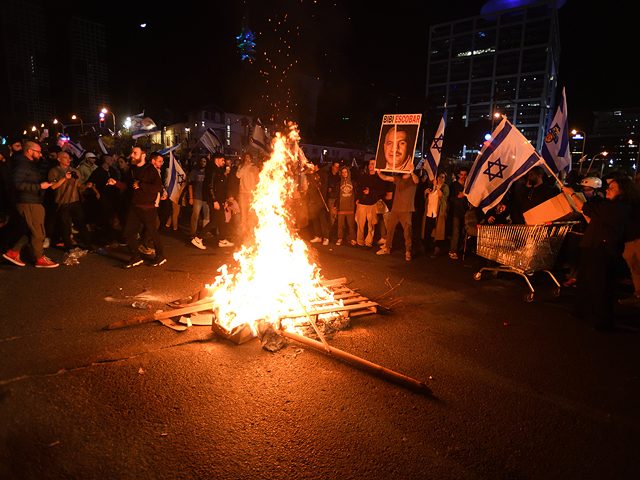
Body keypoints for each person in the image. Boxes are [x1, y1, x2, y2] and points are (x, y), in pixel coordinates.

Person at [562, 177, 639, 331]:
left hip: (601, 249)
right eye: (608, 187)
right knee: (585, 282)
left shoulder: (617, 208)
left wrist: (571, 194)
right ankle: (581, 310)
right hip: (592, 245)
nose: (608, 190)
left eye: (612, 188)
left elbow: (586, 206)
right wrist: (582, 210)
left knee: (599, 285)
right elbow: (592, 220)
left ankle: (602, 320)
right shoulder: (610, 207)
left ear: (622, 191)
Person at [2, 141, 58, 268]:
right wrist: (39, 186)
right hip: (28, 202)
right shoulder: (23, 165)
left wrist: (44, 185)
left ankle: (13, 252)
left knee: (31, 231)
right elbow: (18, 184)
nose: (40, 154)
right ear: (30, 151)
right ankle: (39, 258)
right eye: (38, 151)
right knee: (38, 232)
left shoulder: (28, 164)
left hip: (33, 201)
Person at [108, 146, 165, 267]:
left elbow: (158, 187)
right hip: (134, 206)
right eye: (132, 153)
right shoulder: (132, 170)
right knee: (128, 231)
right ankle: (136, 257)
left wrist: (141, 184)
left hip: (148, 207)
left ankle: (160, 256)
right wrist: (116, 183)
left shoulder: (151, 170)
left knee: (152, 233)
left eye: (135, 153)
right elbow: (129, 186)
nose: (132, 155)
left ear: (143, 155)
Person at [47, 151, 93, 251]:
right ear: (59, 159)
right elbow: (53, 186)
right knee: (65, 226)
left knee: (81, 223)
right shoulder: (53, 171)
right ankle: (69, 247)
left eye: (69, 158)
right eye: (65, 158)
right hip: (62, 203)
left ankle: (88, 245)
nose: (68, 160)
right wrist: (64, 178)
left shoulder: (75, 171)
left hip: (75, 201)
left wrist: (86, 186)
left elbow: (79, 185)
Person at [192, 153, 234, 250]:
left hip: (219, 199)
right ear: (217, 159)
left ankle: (222, 240)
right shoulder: (212, 170)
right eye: (222, 160)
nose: (224, 162)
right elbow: (210, 186)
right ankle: (198, 238)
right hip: (215, 200)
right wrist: (214, 200)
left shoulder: (217, 170)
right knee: (215, 221)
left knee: (221, 219)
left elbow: (219, 185)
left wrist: (224, 200)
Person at [376, 170, 419, 261]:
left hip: (406, 210)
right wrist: (379, 173)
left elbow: (417, 181)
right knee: (390, 229)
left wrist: (412, 172)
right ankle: (387, 248)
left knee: (407, 232)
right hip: (395, 209)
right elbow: (386, 178)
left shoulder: (412, 179)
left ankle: (408, 251)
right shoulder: (398, 179)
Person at [355, 159, 385, 247]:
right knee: (360, 224)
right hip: (362, 204)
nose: (370, 166)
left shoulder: (379, 178)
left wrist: (371, 191)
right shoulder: (363, 177)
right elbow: (359, 188)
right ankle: (360, 241)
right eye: (369, 164)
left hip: (372, 204)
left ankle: (368, 242)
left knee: (371, 225)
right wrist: (357, 198)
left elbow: (382, 191)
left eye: (372, 164)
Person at [422, 171, 449, 257]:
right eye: (439, 177)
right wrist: (425, 193)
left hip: (439, 213)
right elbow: (427, 200)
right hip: (430, 212)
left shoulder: (445, 187)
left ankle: (437, 249)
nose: (440, 179)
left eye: (443, 177)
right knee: (427, 230)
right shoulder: (432, 188)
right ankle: (425, 246)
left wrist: (437, 186)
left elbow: (442, 196)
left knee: (439, 232)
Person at [235, 152, 260, 239]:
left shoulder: (254, 168)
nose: (247, 159)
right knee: (243, 212)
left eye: (248, 157)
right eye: (245, 157)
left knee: (251, 212)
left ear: (251, 158)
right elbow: (238, 176)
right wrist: (244, 166)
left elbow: (258, 180)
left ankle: (251, 230)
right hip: (242, 192)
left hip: (251, 193)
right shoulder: (241, 167)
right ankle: (243, 230)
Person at [306, 163, 330, 245]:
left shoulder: (323, 174)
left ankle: (326, 238)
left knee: (322, 220)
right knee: (315, 219)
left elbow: (322, 187)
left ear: (317, 165)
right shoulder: (313, 174)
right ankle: (318, 236)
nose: (311, 166)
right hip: (313, 201)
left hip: (320, 201)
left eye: (313, 164)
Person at [448, 167, 469, 259]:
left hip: (466, 212)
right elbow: (450, 198)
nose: (463, 176)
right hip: (456, 212)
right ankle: (453, 251)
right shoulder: (454, 185)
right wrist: (458, 196)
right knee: (455, 232)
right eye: (462, 174)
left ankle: (460, 248)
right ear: (458, 175)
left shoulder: (468, 185)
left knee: (463, 231)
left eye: (465, 175)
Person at [188, 156, 210, 239]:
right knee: (195, 215)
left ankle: (204, 232)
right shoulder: (194, 172)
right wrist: (191, 197)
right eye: (201, 161)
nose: (202, 163)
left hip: (206, 197)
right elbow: (190, 185)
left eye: (204, 161)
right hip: (197, 196)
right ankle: (193, 233)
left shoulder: (208, 173)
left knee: (206, 216)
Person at [335, 166, 356, 246]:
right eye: (342, 172)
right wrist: (336, 205)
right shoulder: (339, 183)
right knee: (340, 224)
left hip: (350, 207)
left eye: (345, 172)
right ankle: (340, 238)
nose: (344, 174)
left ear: (348, 173)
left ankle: (352, 238)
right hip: (341, 207)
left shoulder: (353, 183)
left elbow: (356, 194)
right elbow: (337, 195)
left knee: (351, 224)